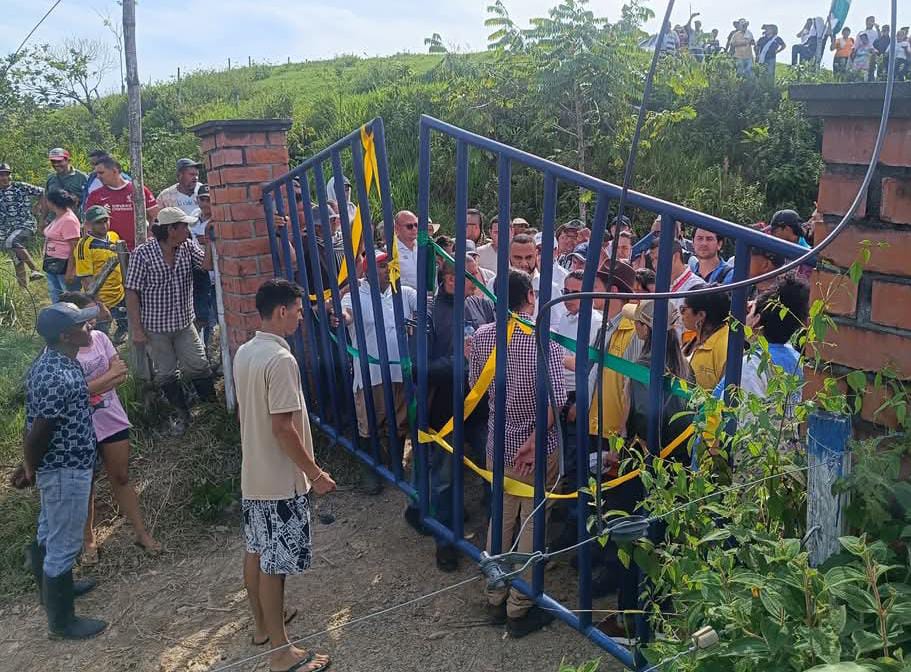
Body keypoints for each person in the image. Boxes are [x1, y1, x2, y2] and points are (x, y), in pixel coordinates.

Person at [233, 279, 335, 672]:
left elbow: (248, 414)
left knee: (256, 551)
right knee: (275, 566)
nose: (298, 317)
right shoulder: (281, 361)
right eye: (296, 310)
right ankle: (281, 652)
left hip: (255, 472)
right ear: (280, 311)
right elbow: (283, 428)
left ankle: (263, 627)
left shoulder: (246, 352)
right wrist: (315, 472)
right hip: (280, 480)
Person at [470, 269, 566, 638]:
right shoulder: (544, 339)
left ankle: (495, 594)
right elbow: (556, 400)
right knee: (532, 526)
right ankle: (519, 607)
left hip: (499, 445)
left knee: (502, 518)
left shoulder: (482, 336)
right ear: (529, 297)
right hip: (536, 448)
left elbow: (475, 386)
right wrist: (531, 443)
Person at [596, 299, 693, 642]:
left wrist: (617, 452)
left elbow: (634, 424)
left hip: (641, 471)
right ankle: (659, 615)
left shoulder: (642, 369)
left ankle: (629, 621)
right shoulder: (686, 368)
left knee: (632, 545)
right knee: (662, 544)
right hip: (674, 472)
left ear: (644, 329)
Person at [24, 302, 107, 639]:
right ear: (65, 335)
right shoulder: (57, 374)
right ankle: (62, 622)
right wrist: (30, 466)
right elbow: (40, 431)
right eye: (81, 324)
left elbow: (37, 427)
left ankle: (53, 592)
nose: (89, 327)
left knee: (49, 531)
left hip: (60, 465)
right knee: (64, 543)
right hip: (64, 469)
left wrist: (29, 464)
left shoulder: (54, 363)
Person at [57, 292, 160, 563]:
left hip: (110, 418)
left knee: (122, 477)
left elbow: (121, 371)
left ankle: (141, 533)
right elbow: (72, 394)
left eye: (94, 315)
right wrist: (105, 380)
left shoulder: (101, 339)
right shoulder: (59, 352)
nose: (94, 322)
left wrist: (91, 387)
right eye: (86, 317)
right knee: (84, 484)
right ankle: (88, 541)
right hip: (79, 426)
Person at [422, 256, 495, 570]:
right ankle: (446, 542)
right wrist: (458, 359)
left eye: (469, 274)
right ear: (444, 276)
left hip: (483, 407)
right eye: (452, 273)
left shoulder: (484, 307)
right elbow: (420, 369)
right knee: (445, 479)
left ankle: (496, 539)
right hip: (444, 411)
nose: (459, 279)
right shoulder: (428, 311)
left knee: (494, 468)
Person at [124, 207, 215, 433]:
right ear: (171, 229)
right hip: (155, 326)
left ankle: (212, 410)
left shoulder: (187, 247)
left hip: (184, 321)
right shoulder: (143, 254)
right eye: (184, 226)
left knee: (199, 365)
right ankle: (181, 413)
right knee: (166, 372)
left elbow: (207, 266)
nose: (188, 230)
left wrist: (211, 242)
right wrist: (136, 329)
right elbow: (132, 292)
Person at [339, 249, 418, 491]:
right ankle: (370, 469)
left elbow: (425, 309)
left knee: (400, 420)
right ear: (367, 270)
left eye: (390, 266)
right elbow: (347, 316)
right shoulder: (354, 295)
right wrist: (339, 316)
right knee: (370, 421)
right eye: (382, 266)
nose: (388, 271)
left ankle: (396, 464)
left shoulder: (404, 293)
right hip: (370, 374)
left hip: (400, 372)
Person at [714, 276, 809, 418]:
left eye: (748, 312)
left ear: (756, 320)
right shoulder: (796, 359)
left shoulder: (752, 366)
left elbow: (743, 422)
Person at [75, 205, 128, 341]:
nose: (104, 225)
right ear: (88, 224)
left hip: (120, 293)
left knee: (125, 326)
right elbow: (86, 280)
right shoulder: (84, 246)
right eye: (98, 222)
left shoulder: (114, 236)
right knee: (100, 335)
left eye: (105, 220)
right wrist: (100, 304)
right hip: (102, 298)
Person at [85, 156, 159, 250]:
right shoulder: (95, 195)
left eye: (101, 173)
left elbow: (155, 215)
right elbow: (88, 225)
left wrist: (149, 236)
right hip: (108, 250)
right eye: (97, 173)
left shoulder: (138, 190)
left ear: (114, 171)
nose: (98, 177)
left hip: (137, 248)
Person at [0, 162, 45, 287]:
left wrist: (38, 206)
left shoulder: (20, 186)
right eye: (1, 175)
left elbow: (43, 192)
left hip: (25, 224)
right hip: (6, 231)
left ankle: (35, 269)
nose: (4, 178)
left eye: (7, 174)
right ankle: (24, 291)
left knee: (13, 242)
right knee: (17, 260)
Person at [681, 288, 731, 390]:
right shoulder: (695, 337)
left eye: (683, 309)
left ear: (701, 315)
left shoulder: (727, 347)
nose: (681, 314)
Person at [42, 190, 82, 303]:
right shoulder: (58, 216)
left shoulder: (68, 220)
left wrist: (70, 270)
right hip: (52, 262)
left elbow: (74, 247)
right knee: (56, 295)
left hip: (64, 265)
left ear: (52, 202)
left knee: (69, 297)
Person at [189, 184, 217, 349]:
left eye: (209, 200)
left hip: (214, 275)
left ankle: (212, 352)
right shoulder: (193, 217)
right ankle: (202, 352)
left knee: (215, 317)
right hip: (197, 275)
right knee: (200, 315)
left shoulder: (217, 220)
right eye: (202, 199)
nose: (206, 203)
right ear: (197, 200)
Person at [44, 148, 88, 223]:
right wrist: (43, 220)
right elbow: (46, 200)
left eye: (59, 161)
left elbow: (89, 200)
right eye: (53, 161)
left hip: (74, 222)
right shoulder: (51, 178)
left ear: (68, 160)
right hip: (53, 222)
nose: (56, 164)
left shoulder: (82, 177)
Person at [393, 210, 419, 290]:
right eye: (409, 226)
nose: (414, 229)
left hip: (428, 297)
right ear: (397, 228)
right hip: (403, 299)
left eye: (416, 225)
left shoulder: (425, 247)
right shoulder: (390, 250)